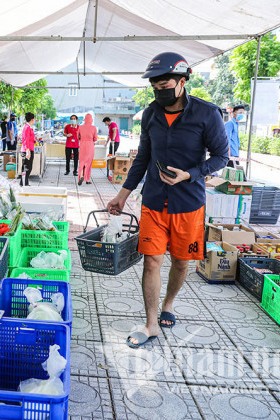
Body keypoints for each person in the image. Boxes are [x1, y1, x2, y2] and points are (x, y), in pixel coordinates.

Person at [106, 52, 228, 349]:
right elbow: (143, 158)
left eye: (165, 85)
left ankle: (169, 304)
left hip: (188, 204)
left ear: (183, 82)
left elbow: (221, 157)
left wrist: (189, 174)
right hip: (154, 202)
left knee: (182, 262)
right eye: (155, 86)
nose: (160, 91)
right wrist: (122, 194)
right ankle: (150, 324)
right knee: (151, 262)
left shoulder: (206, 114)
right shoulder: (150, 114)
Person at [77, 113, 98, 185]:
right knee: (88, 163)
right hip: (90, 146)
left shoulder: (80, 127)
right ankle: (87, 179)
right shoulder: (93, 127)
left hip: (82, 145)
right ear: (91, 120)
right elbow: (95, 138)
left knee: (82, 162)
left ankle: (81, 176)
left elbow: (77, 137)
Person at [20, 112, 37, 187]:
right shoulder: (27, 127)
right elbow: (25, 139)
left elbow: (29, 138)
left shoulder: (29, 127)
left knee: (28, 167)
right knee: (27, 167)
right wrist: (27, 151)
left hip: (29, 149)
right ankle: (24, 183)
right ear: (32, 119)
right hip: (27, 150)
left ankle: (24, 182)